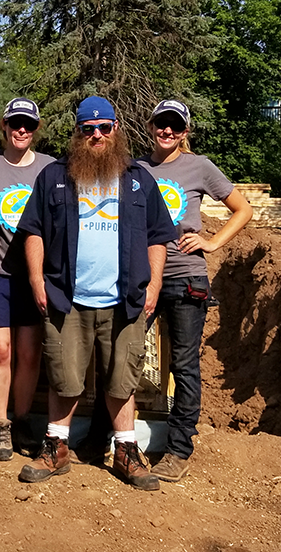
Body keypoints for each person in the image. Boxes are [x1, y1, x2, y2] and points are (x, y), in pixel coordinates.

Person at [16, 96, 175, 491]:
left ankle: (126, 451)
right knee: (64, 376)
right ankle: (56, 447)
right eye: (88, 129)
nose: (97, 135)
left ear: (116, 129)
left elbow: (158, 236)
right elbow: (33, 230)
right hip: (67, 299)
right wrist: (37, 280)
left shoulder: (139, 178)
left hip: (125, 300)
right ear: (79, 133)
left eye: (104, 128)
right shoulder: (55, 176)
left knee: (123, 380)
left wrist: (154, 284)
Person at [138, 99, 252, 481]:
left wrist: (213, 242)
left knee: (184, 365)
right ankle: (117, 436)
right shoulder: (137, 169)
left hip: (186, 277)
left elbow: (243, 209)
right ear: (151, 126)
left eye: (175, 125)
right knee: (123, 353)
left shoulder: (199, 166)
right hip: (143, 278)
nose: (166, 131)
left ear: (184, 131)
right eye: (161, 124)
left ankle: (178, 449)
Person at [0, 97, 55, 461]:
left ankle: (23, 421)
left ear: (36, 129)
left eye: (28, 124)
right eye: (15, 123)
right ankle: (1, 425)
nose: (21, 129)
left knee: (28, 353)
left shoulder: (51, 169)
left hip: (35, 277)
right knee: (0, 350)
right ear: (4, 126)